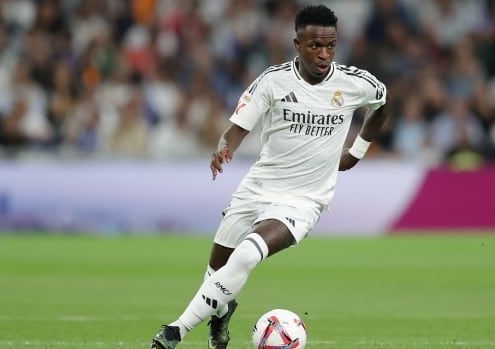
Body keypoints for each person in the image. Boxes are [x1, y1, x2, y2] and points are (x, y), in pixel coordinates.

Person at [150, 5, 389, 349]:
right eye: (314, 46)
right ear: (297, 43)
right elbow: (236, 129)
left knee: (247, 255)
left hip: (304, 199)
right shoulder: (273, 81)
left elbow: (382, 104)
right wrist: (224, 149)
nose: (324, 54)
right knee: (217, 273)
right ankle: (222, 311)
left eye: (330, 46)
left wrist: (356, 152)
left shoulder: (354, 83)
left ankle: (175, 331)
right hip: (258, 187)